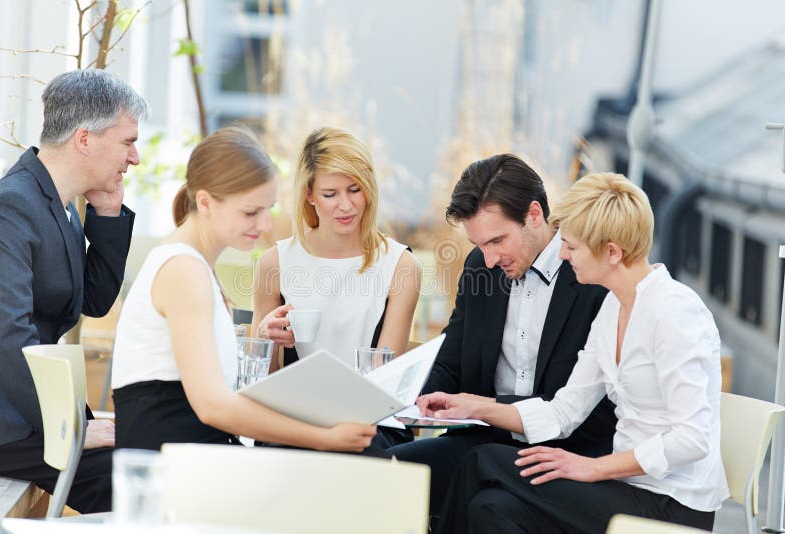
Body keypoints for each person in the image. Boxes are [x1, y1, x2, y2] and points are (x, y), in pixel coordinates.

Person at [434, 172, 729, 533]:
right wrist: (476, 407)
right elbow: (563, 412)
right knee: (491, 507)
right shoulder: (613, 309)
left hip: (672, 502)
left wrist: (592, 468)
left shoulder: (675, 313)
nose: (561, 253)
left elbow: (692, 440)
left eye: (571, 247)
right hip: (623, 487)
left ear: (611, 252)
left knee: (481, 461)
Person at [111, 126, 376, 454]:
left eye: (268, 210)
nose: (265, 226)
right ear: (205, 202)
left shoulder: (192, 263)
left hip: (193, 454)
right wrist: (325, 437)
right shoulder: (184, 270)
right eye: (251, 212)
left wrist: (261, 337)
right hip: (176, 468)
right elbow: (213, 406)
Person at [387, 154, 617, 516]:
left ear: (535, 215)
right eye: (479, 244)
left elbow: (584, 408)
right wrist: (403, 396)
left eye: (497, 241)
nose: (489, 258)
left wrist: (487, 408)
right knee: (385, 474)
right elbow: (452, 357)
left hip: (565, 453)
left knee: (487, 505)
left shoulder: (591, 278)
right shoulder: (481, 268)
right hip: (483, 438)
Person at [0, 69, 147, 513]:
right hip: (3, 420)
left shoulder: (56, 201)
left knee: (150, 459)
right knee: (138, 482)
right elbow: (7, 337)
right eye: (127, 141)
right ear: (84, 139)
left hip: (40, 406)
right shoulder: (11, 206)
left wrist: (109, 214)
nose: (134, 157)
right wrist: (65, 428)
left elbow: (91, 301)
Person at [250, 127, 421, 449]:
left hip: (371, 423)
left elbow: (384, 386)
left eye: (355, 190)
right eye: (330, 194)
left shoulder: (400, 265)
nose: (346, 205)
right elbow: (264, 380)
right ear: (310, 196)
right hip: (292, 421)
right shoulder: (275, 263)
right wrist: (265, 336)